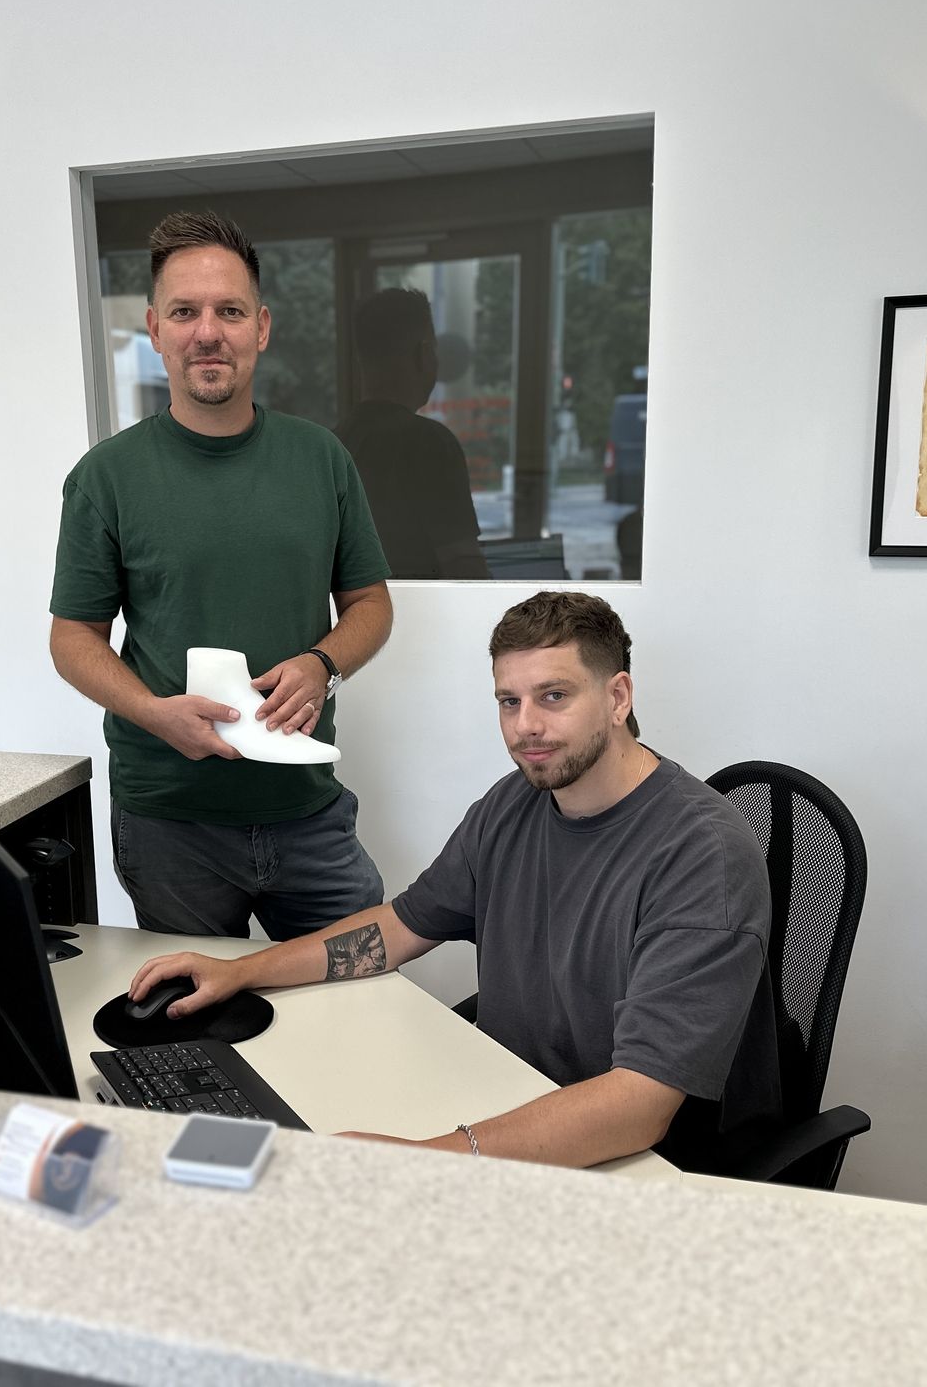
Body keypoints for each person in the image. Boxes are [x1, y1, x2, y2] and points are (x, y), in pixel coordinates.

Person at [128, 590, 781, 1168]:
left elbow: (638, 1106)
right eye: (508, 700)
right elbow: (398, 926)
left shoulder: (701, 854)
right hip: (514, 1099)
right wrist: (243, 970)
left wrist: (428, 1160)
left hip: (649, 1163)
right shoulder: (514, 804)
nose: (525, 725)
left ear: (616, 698)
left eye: (553, 696)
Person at [50, 210, 395, 941]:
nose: (207, 331)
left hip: (306, 805)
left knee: (364, 994)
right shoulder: (105, 478)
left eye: (229, 311)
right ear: (154, 327)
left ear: (260, 328)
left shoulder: (321, 458)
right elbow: (72, 636)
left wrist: (322, 661)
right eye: (185, 311)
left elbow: (369, 603)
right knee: (201, 1032)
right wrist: (151, 711)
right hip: (169, 821)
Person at [336, 288, 489, 580]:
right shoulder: (430, 444)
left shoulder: (333, 444)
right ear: (424, 354)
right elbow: (465, 570)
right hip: (424, 623)